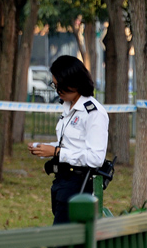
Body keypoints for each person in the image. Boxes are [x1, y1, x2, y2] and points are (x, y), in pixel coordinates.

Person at [28, 55, 108, 224]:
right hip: (62, 181)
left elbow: (95, 158)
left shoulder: (93, 113)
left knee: (62, 242)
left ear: (75, 83)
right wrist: (46, 148)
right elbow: (70, 145)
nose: (57, 91)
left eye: (60, 87)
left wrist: (57, 152)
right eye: (54, 86)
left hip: (79, 184)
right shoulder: (68, 107)